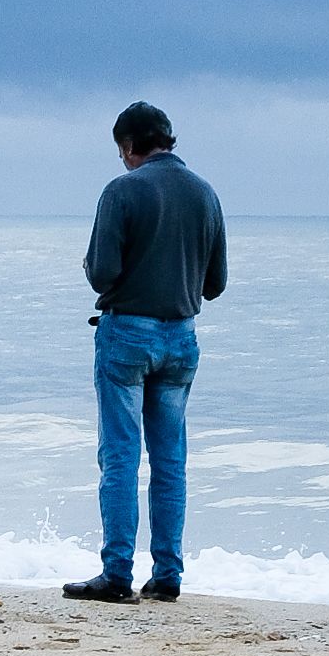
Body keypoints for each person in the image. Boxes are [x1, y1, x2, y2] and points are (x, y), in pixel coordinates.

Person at [65, 102, 226, 604]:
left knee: (120, 457)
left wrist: (91, 260)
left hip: (127, 335)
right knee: (170, 461)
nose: (123, 160)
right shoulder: (205, 193)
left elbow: (101, 273)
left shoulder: (122, 191)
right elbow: (215, 285)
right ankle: (168, 574)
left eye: (122, 152)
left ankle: (116, 575)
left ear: (130, 145)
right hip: (181, 336)